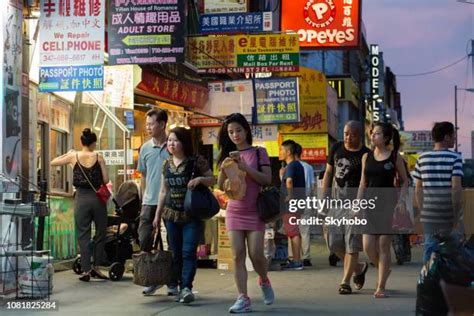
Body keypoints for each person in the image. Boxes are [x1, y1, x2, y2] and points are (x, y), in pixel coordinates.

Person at [217, 113, 275, 313]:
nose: (235, 135)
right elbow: (219, 186)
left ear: (246, 130)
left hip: (255, 211)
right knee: (237, 255)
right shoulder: (228, 156)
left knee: (257, 254)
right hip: (234, 210)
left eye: (238, 130)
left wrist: (245, 167)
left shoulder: (259, 153)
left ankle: (264, 280)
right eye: (231, 132)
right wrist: (225, 169)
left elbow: (266, 180)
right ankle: (243, 297)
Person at [152, 127, 216, 304]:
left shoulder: (196, 162)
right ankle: (177, 284)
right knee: (176, 253)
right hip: (171, 216)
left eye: (175, 140)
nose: (171, 144)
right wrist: (157, 216)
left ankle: (186, 287)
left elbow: (213, 179)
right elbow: (163, 191)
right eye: (170, 140)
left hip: (192, 215)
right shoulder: (166, 164)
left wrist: (200, 180)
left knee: (188, 251)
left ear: (184, 142)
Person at [51, 128, 109, 282]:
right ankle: (97, 266)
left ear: (82, 142)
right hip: (97, 198)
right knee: (100, 232)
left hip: (81, 198)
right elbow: (106, 180)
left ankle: (86, 270)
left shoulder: (73, 157)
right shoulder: (99, 157)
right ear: (94, 143)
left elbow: (53, 162)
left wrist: (69, 154)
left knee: (83, 234)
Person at [358, 122, 408, 298]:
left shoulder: (395, 157)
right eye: (372, 133)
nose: (373, 136)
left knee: (383, 245)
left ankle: (381, 286)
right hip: (369, 206)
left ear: (386, 138)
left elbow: (405, 181)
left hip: (388, 206)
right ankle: (383, 269)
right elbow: (363, 183)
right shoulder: (366, 157)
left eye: (377, 134)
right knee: (367, 246)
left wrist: (401, 200)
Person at [321, 121, 370, 294]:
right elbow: (328, 173)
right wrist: (324, 197)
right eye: (346, 133)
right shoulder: (336, 148)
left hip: (355, 205)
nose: (348, 138)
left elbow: (365, 182)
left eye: (353, 135)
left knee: (352, 243)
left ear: (360, 136)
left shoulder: (366, 154)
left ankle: (345, 281)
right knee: (333, 243)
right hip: (335, 204)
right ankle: (358, 267)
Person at [137, 109, 178, 296]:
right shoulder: (145, 148)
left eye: (151, 124)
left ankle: (172, 281)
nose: (148, 127)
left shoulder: (173, 146)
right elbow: (143, 176)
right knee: (145, 239)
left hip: (171, 201)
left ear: (162, 125)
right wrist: (144, 198)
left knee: (172, 241)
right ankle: (153, 279)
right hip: (149, 201)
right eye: (147, 124)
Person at [413, 122, 464, 263]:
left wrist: (423, 210)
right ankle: (450, 282)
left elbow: (418, 189)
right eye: (453, 135)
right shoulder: (455, 158)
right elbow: (456, 189)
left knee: (430, 248)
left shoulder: (422, 158)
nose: (454, 138)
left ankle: (428, 280)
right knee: (453, 250)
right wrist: (457, 214)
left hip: (429, 214)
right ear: (446, 137)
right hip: (448, 212)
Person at [279, 139, 305, 271]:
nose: (280, 152)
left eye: (281, 150)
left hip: (291, 204)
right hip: (298, 203)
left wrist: (289, 196)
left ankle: (296, 261)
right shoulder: (297, 165)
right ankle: (297, 259)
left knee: (293, 232)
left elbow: (289, 181)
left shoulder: (291, 166)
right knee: (294, 231)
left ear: (288, 152)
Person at [293, 143, 315, 267]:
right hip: (306, 201)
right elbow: (312, 187)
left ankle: (294, 256)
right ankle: (306, 257)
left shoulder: (290, 167)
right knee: (305, 231)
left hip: (293, 201)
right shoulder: (308, 167)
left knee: (293, 230)